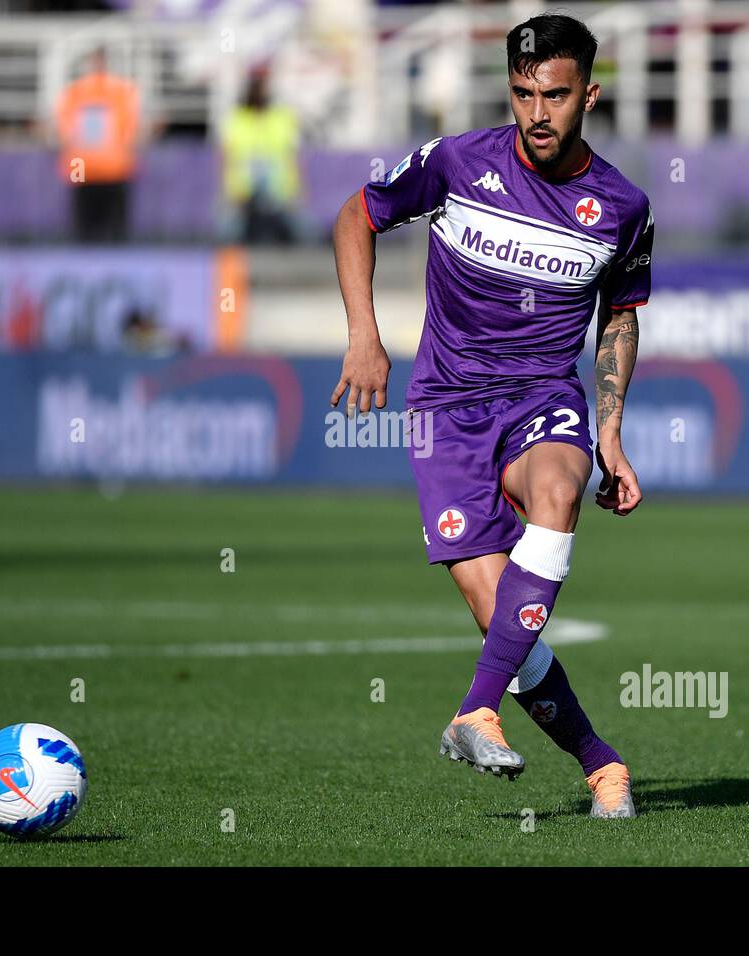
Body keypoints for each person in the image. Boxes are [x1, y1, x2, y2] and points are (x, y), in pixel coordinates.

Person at [331, 14, 652, 819]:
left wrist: (608, 429)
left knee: (559, 491)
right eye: (521, 93)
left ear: (589, 94)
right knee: (505, 619)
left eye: (555, 95)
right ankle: (600, 763)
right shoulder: (456, 162)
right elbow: (355, 216)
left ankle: (475, 711)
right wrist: (364, 337)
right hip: (445, 410)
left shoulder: (621, 206)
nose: (537, 113)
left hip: (544, 396)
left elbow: (620, 314)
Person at [55, 48, 141, 243]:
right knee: (84, 213)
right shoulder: (80, 91)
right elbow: (66, 127)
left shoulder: (117, 91)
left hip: (110, 163)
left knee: (108, 217)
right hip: (86, 162)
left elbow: (129, 127)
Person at [218, 68, 303, 244]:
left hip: (278, 186)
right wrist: (229, 190)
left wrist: (296, 189)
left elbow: (291, 154)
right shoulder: (237, 118)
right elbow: (227, 156)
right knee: (229, 231)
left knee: (300, 228)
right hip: (243, 185)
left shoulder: (281, 117)